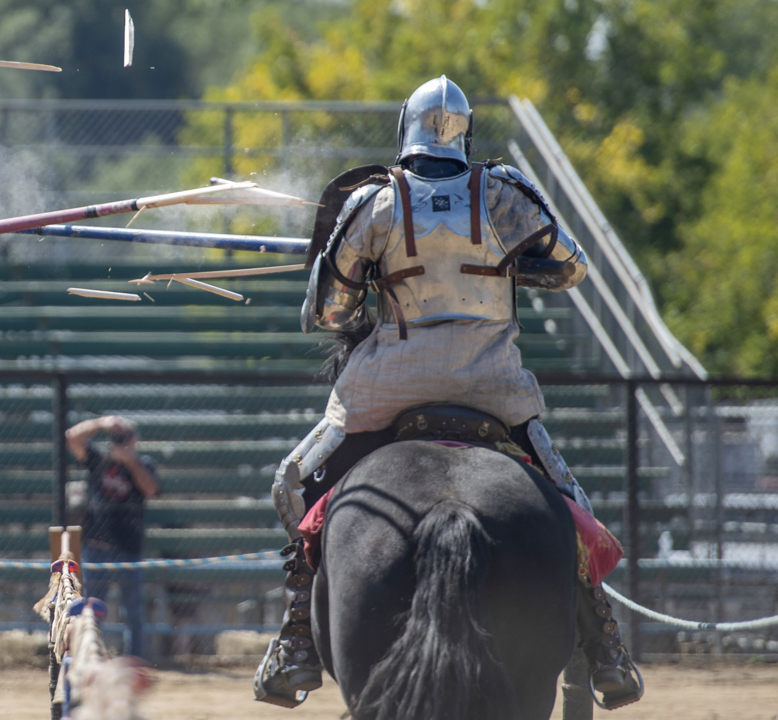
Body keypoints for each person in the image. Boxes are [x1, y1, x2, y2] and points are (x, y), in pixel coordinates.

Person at [254, 76, 642, 710]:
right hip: (492, 388)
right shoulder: (507, 192)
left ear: (404, 127)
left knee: (292, 482)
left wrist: (373, 272)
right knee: (571, 502)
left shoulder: (373, 203)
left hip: (388, 387)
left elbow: (326, 313)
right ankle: (605, 646)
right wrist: (507, 263)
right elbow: (571, 267)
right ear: (466, 131)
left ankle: (298, 637)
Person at [66, 415, 159, 659]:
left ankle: (134, 662)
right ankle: (90, 658)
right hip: (97, 545)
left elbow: (150, 489)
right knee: (91, 610)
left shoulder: (144, 464)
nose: (121, 442)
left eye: (126, 438)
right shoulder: (100, 460)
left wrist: (131, 462)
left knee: (133, 613)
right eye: (117, 438)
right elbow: (71, 438)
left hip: (129, 547)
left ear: (135, 440)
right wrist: (101, 423)